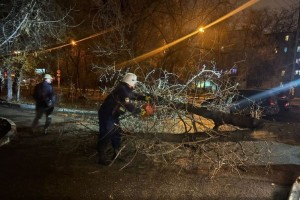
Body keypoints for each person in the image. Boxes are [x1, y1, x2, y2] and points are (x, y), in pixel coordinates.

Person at [97, 73, 153, 165]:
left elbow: (135, 96)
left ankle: (117, 154)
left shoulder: (125, 89)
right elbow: (130, 107)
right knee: (106, 133)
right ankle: (102, 157)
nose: (135, 85)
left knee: (117, 133)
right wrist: (142, 112)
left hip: (113, 115)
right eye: (134, 82)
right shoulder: (122, 90)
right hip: (107, 115)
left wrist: (147, 98)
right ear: (130, 82)